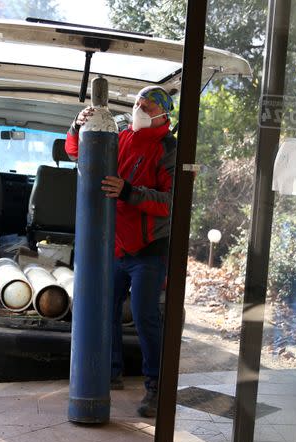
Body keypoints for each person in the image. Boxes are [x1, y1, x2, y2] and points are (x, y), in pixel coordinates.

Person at [65, 85, 176, 418]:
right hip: (116, 246)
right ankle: (110, 373)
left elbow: (172, 203)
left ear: (162, 114)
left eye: (146, 106)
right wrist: (77, 126)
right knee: (104, 306)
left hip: (149, 250)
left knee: (145, 316)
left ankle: (156, 388)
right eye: (137, 103)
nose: (139, 109)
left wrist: (129, 192)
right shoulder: (123, 137)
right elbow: (77, 153)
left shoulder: (168, 149)